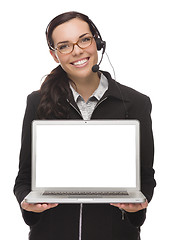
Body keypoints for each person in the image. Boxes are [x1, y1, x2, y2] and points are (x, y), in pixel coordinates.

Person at [14, 11, 156, 240]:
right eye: (64, 46)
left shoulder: (136, 103)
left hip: (114, 233)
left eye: (84, 39)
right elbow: (24, 177)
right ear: (54, 54)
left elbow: (146, 176)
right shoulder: (37, 102)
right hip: (52, 233)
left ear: (97, 42)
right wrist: (27, 203)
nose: (77, 50)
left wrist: (138, 206)